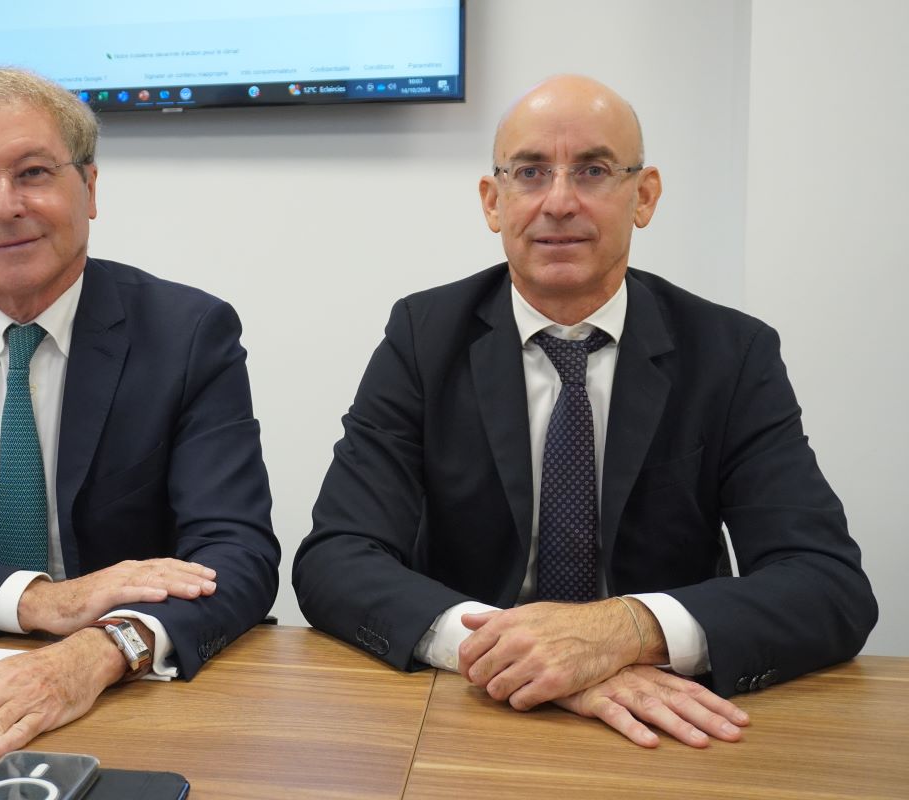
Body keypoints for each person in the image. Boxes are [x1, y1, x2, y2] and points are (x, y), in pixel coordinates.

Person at [293, 75, 877, 748]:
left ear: (644, 195)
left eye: (594, 170)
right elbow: (336, 557)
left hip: (663, 716)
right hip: (466, 714)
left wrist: (625, 631)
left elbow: (828, 585)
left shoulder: (731, 352)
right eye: (531, 172)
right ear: (493, 200)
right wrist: (518, 654)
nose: (560, 201)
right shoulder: (425, 337)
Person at [0, 67, 279, 766]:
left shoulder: (188, 333)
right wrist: (43, 602)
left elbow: (238, 556)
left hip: (132, 695)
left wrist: (102, 647)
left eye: (33, 171)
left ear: (90, 188)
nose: (5, 206)